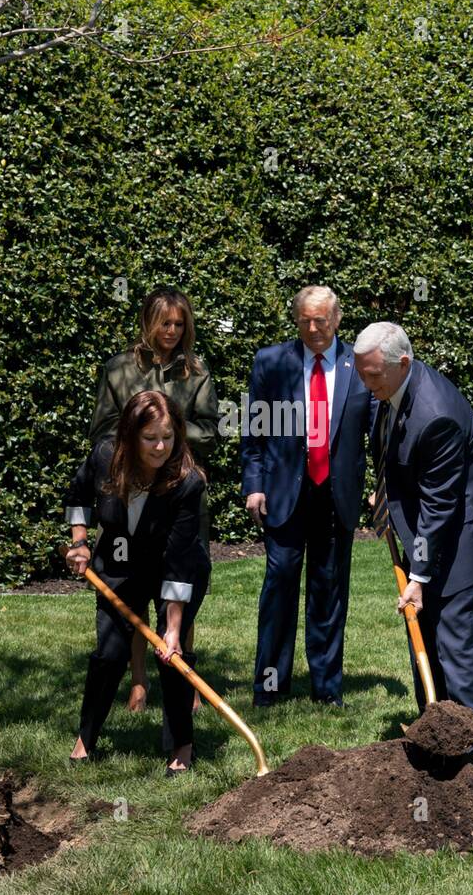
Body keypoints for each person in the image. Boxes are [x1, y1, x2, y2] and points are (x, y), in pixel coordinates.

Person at [353, 321, 473, 752]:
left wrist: (419, 576)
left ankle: (466, 752)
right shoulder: (392, 388)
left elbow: (440, 504)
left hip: (463, 536)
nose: (365, 383)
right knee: (424, 634)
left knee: (456, 641)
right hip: (430, 528)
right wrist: (386, 494)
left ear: (403, 362)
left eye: (372, 375)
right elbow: (397, 455)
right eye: (361, 373)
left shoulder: (436, 414)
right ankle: (433, 732)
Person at [64, 390, 210, 775]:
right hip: (119, 564)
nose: (161, 447)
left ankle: (182, 746)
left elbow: (178, 561)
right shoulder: (105, 456)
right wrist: (79, 542)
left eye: (168, 437)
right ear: (130, 435)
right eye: (150, 438)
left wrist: (173, 630)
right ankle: (86, 738)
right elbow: (78, 494)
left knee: (171, 655)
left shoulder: (187, 483)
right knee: (110, 653)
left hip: (174, 569)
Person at [240, 286, 373, 707]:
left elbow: (378, 432)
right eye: (305, 321)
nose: (314, 329)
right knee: (279, 587)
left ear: (337, 319)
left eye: (321, 320)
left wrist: (383, 487)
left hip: (337, 496)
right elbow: (254, 430)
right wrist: (254, 484)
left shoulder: (361, 363)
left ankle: (327, 689)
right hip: (284, 493)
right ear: (296, 321)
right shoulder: (271, 362)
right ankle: (270, 686)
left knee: (329, 591)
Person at [89, 289, 219, 713]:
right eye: (164, 323)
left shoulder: (196, 371)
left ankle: (186, 680)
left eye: (179, 324)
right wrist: (139, 435)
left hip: (180, 493)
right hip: (132, 493)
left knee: (182, 586)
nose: (172, 331)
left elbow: (210, 431)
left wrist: (169, 431)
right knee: (134, 588)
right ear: (148, 322)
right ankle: (139, 682)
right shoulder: (119, 369)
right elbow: (102, 432)